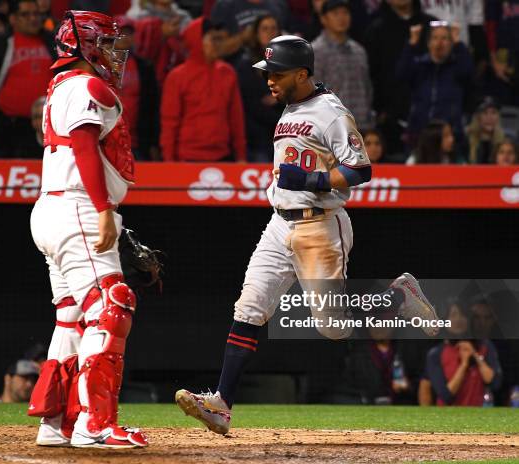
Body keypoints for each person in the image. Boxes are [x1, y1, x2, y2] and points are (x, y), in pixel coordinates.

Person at [175, 36, 439, 435]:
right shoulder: (290, 109)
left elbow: (361, 169)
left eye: (277, 74)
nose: (270, 81)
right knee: (249, 308)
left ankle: (399, 295)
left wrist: (314, 179)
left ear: (302, 73)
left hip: (320, 224)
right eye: (268, 73)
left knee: (333, 328)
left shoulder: (330, 112)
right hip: (279, 222)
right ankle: (221, 405)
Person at [27, 10, 147, 449]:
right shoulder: (85, 85)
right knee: (111, 305)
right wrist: (101, 209)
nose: (116, 54)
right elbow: (82, 146)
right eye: (109, 44)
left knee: (72, 317)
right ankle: (95, 423)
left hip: (54, 209)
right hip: (77, 206)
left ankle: (56, 420)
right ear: (88, 44)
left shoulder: (61, 86)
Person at [0, 0, 55, 157]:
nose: (33, 18)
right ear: (13, 18)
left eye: (36, 14)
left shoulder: (53, 43)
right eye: (25, 14)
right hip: (10, 129)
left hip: (47, 127)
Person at [160, 18, 246, 162]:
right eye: (214, 39)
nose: (219, 45)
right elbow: (169, 123)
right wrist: (169, 161)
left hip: (223, 156)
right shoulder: (177, 77)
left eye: (219, 39)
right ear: (197, 42)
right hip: (187, 158)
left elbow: (236, 118)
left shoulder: (228, 72)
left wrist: (241, 156)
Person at [364, 0, 437, 156]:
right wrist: (380, 108)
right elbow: (372, 74)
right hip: (389, 117)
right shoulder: (376, 29)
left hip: (428, 114)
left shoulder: (431, 25)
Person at [396, 22, 474, 149]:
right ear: (428, 43)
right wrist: (411, 44)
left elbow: (468, 72)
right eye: (435, 38)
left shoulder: (456, 67)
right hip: (419, 132)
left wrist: (458, 44)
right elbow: (401, 74)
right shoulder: (420, 66)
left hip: (449, 134)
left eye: (444, 38)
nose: (440, 43)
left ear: (451, 43)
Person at [311, 0, 373, 130]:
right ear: (323, 19)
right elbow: (312, 94)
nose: (341, 18)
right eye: (335, 13)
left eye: (345, 13)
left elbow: (367, 89)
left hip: (361, 126)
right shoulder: (316, 51)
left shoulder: (359, 50)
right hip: (331, 129)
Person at [233, 14, 283, 162]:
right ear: (256, 34)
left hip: (287, 137)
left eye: (274, 28)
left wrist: (280, 97)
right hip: (258, 139)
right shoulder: (245, 65)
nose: (270, 32)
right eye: (264, 29)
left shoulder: (290, 63)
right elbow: (251, 104)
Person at [113, 15, 160, 161]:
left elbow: (152, 106)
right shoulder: (98, 65)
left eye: (129, 33)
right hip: (107, 139)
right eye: (120, 33)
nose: (125, 37)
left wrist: (152, 142)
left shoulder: (145, 67)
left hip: (137, 142)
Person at [426, 339, 502, 406]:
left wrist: (475, 355)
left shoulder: (485, 346)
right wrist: (464, 364)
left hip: (477, 414)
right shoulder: (437, 353)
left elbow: (495, 383)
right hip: (447, 416)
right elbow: (446, 396)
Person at [466, 96, 505, 164]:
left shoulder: (505, 142)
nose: (490, 118)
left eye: (493, 113)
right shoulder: (466, 141)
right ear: (478, 117)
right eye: (485, 113)